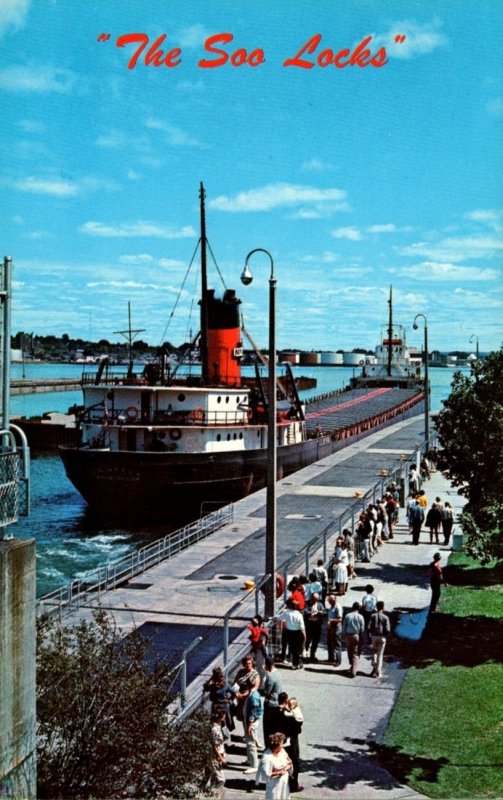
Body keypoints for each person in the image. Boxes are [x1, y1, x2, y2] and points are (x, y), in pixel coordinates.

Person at [255, 732, 293, 799]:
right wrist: (279, 772)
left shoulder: (282, 751)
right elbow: (265, 774)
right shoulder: (267, 757)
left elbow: (288, 761)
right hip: (274, 785)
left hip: (284, 783)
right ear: (276, 745)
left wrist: (289, 764)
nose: (283, 745)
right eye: (281, 743)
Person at [277, 599, 306, 670]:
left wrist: (273, 617)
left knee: (292, 649)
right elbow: (302, 627)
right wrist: (304, 636)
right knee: (297, 649)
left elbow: (279, 618)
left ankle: (296, 663)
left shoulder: (286, 613)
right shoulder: (299, 615)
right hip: (297, 633)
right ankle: (295, 664)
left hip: (289, 632)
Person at [243, 677, 264, 774]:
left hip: (251, 722)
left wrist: (249, 725)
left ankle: (254, 765)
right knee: (248, 741)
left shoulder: (254, 696)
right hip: (249, 721)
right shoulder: (253, 694)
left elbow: (254, 711)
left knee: (251, 743)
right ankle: (249, 760)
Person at [284, 698, 303, 793]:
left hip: (290, 740)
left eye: (291, 704)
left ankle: (291, 782)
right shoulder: (290, 715)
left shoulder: (293, 715)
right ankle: (293, 784)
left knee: (292, 762)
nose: (289, 706)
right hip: (292, 741)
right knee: (294, 762)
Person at [262, 657, 283, 743]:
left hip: (270, 704)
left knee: (267, 728)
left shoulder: (270, 677)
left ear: (267, 665)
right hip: (277, 702)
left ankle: (268, 745)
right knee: (275, 727)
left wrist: (265, 679)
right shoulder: (278, 673)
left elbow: (266, 692)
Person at [368, 600, 391, 678]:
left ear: (376, 607)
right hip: (382, 636)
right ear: (383, 607)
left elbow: (368, 627)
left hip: (374, 636)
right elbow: (388, 629)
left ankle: (374, 665)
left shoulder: (372, 616)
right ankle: (378, 672)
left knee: (374, 651)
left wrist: (371, 632)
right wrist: (385, 635)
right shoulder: (385, 617)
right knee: (380, 655)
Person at [342, 601, 365, 678]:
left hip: (348, 635)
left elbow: (344, 626)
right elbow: (362, 628)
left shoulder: (348, 616)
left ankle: (352, 665)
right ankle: (353, 670)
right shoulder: (360, 617)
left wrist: (344, 634)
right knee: (355, 652)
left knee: (349, 650)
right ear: (359, 608)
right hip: (356, 635)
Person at [208, 708, 227, 792]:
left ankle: (209, 791)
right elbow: (214, 746)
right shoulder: (215, 730)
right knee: (221, 780)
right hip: (215, 757)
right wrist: (221, 758)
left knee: (214, 777)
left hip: (219, 755)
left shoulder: (219, 726)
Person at [303, 592, 325, 662]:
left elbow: (324, 612)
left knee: (315, 641)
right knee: (307, 640)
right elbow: (305, 612)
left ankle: (312, 655)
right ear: (312, 598)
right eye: (314, 599)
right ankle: (305, 655)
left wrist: (319, 613)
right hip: (309, 625)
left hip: (317, 625)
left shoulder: (320, 604)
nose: (315, 600)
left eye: (317, 599)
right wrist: (312, 614)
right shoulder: (307, 604)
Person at [326, 594, 343, 665]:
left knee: (337, 644)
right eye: (329, 601)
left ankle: (338, 661)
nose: (329, 602)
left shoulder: (338, 607)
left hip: (336, 628)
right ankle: (331, 658)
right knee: (330, 643)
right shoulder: (331, 606)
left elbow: (339, 619)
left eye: (330, 601)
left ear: (334, 600)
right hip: (330, 628)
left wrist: (331, 621)